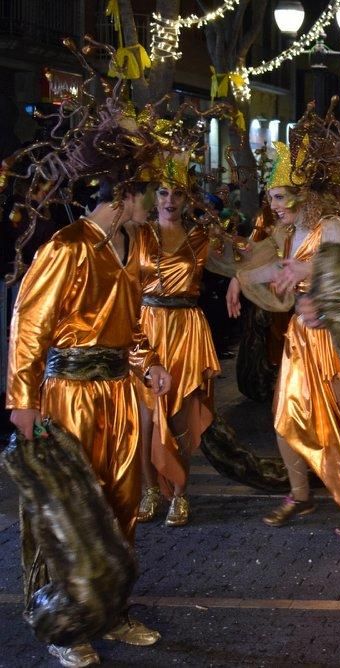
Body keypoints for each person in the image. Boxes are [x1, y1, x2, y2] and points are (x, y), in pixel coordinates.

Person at [6, 100, 174, 665]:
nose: (150, 202)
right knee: (69, 509)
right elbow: (30, 323)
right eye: (143, 193)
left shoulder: (135, 245)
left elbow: (133, 322)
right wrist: (22, 401)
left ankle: (112, 608)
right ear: (122, 196)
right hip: (70, 395)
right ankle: (64, 621)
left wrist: (148, 358)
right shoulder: (69, 246)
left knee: (121, 501)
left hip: (120, 392)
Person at [226, 128, 340, 539]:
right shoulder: (288, 234)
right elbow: (271, 267)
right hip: (300, 338)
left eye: (278, 197)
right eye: (270, 197)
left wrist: (323, 288)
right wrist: (239, 278)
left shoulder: (333, 227)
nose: (272, 206)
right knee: (283, 415)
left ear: (303, 195)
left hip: (336, 338)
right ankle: (299, 493)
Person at [133, 156, 233, 527]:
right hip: (146, 327)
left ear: (188, 197)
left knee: (178, 418)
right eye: (162, 192)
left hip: (186, 330)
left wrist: (240, 280)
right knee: (144, 419)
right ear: (153, 195)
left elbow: (243, 261)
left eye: (177, 193)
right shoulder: (139, 234)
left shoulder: (200, 238)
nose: (169, 200)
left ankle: (179, 492)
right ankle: (148, 489)